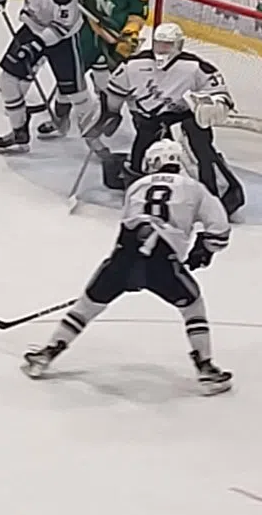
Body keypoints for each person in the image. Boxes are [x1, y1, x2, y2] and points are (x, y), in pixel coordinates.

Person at [22, 140, 232, 395]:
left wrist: (129, 271)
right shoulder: (195, 189)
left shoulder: (137, 187)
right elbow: (219, 230)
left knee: (86, 306)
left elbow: (132, 223)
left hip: (124, 255)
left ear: (150, 163)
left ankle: (46, 355)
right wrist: (205, 249)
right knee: (192, 305)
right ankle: (206, 369)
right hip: (161, 261)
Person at [96, 22, 244, 213]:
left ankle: (218, 195)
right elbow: (115, 91)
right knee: (143, 158)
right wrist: (111, 112)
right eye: (159, 44)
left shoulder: (195, 67)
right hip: (149, 122)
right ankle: (140, 184)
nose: (162, 50)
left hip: (184, 120)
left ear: (178, 45)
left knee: (198, 149)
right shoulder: (134, 65)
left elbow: (220, 94)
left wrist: (213, 105)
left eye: (167, 45)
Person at [0, 0, 91, 153]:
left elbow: (64, 25)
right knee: (7, 82)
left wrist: (37, 45)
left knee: (77, 94)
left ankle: (96, 140)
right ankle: (19, 131)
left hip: (63, 37)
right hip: (33, 26)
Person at [67, 0, 151, 141]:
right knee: (72, 72)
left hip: (115, 37)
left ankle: (143, 126)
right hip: (89, 29)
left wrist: (129, 35)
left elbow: (138, 14)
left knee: (124, 83)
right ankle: (61, 116)